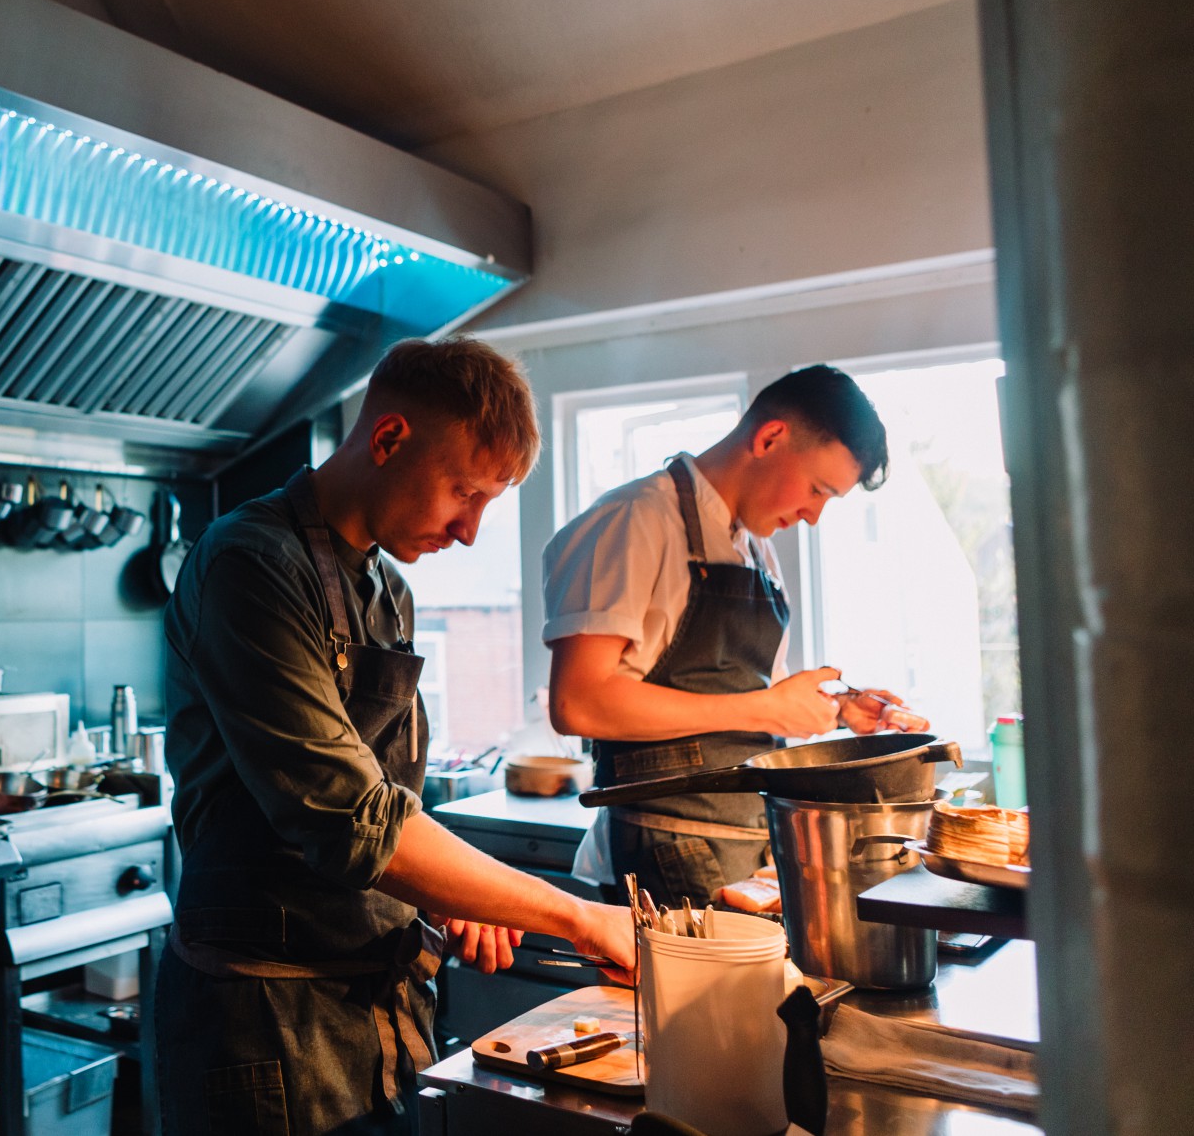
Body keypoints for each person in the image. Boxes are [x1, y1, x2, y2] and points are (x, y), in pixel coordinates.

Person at [156, 337, 636, 1136]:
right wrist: (581, 917)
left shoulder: (387, 587)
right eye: (463, 491)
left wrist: (447, 893)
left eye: (489, 503)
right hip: (268, 1021)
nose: (472, 530)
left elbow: (390, 797)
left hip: (376, 1005)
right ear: (387, 439)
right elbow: (350, 820)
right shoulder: (250, 563)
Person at [544, 364, 927, 905]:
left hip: (749, 844)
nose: (814, 516)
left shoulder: (756, 550)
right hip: (668, 848)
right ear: (770, 437)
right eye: (817, 489)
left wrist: (838, 709)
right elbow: (578, 702)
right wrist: (766, 709)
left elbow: (745, 691)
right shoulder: (634, 520)